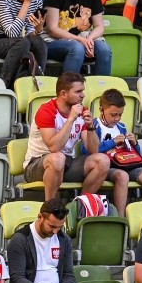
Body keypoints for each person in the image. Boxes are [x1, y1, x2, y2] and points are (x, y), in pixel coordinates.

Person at [7, 198, 101, 283]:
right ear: (40, 217)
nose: (56, 231)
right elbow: (17, 278)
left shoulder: (64, 239)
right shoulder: (20, 239)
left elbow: (68, 273)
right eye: (52, 226)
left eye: (60, 227)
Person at [22, 71, 110, 202]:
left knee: (102, 160)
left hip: (67, 162)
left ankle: (81, 205)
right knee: (57, 158)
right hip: (36, 164)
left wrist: (91, 126)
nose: (83, 95)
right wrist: (70, 119)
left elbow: (93, 150)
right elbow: (54, 147)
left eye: (83, 91)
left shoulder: (82, 110)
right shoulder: (46, 111)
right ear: (64, 94)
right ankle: (50, 207)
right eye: (78, 91)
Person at [81, 89, 142, 210]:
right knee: (123, 176)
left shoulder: (121, 126)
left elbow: (136, 155)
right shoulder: (94, 125)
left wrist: (134, 143)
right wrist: (113, 142)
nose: (117, 118)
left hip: (126, 163)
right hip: (107, 167)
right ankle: (121, 217)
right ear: (101, 110)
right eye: (113, 115)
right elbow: (86, 151)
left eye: (120, 114)